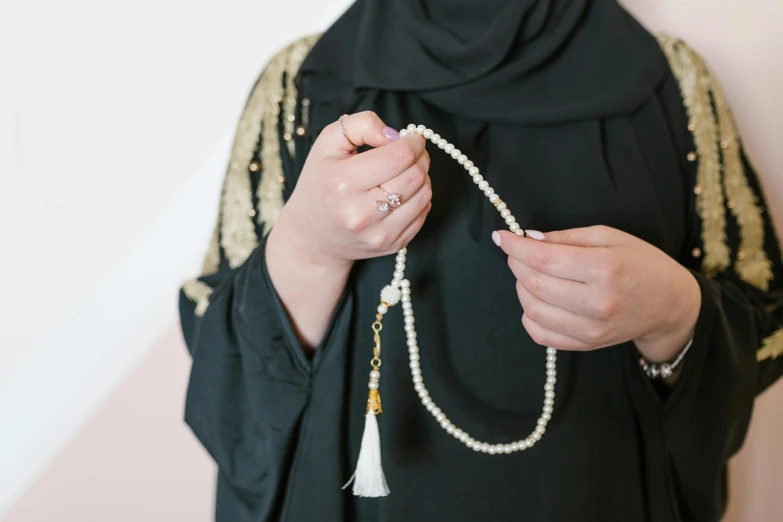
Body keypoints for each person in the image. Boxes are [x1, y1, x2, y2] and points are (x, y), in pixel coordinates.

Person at [179, 1, 783, 520]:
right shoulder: (302, 88)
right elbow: (227, 373)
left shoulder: (670, 83)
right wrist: (310, 246)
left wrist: (671, 311)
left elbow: (758, 327)